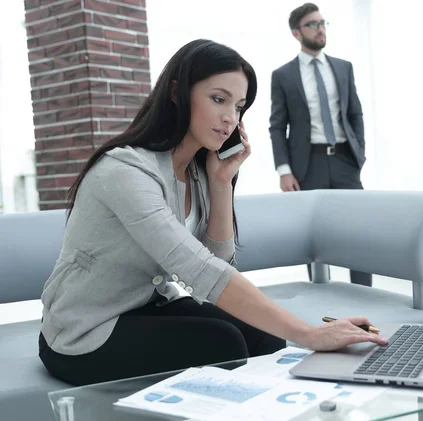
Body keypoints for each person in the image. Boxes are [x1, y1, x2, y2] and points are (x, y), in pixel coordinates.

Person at [37, 39, 387, 387]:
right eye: (218, 99)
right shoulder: (125, 171)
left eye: (238, 106)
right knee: (224, 344)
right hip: (84, 330)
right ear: (177, 92)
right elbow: (199, 270)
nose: (229, 118)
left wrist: (221, 182)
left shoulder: (198, 170)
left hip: (148, 306)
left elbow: (218, 261)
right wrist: (309, 333)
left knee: (262, 336)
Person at [269, 3, 372, 287]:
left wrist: (359, 153)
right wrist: (284, 170)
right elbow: (277, 126)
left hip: (344, 160)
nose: (320, 28)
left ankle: (364, 295)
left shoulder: (343, 68)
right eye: (312, 24)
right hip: (307, 165)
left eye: (322, 22)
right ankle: (320, 294)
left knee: (358, 232)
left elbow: (355, 114)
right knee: (312, 236)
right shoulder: (283, 75)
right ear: (296, 32)